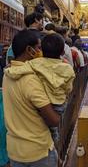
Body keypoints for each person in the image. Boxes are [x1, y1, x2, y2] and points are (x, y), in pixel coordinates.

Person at [3, 29, 60, 167]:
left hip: (15, 150)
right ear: (29, 50)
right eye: (39, 48)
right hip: (37, 151)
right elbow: (53, 120)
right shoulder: (30, 79)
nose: (42, 52)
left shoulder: (7, 74)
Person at [28, 33, 75, 145]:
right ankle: (53, 139)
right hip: (58, 105)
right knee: (54, 125)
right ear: (63, 52)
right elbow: (68, 89)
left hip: (39, 103)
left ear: (41, 49)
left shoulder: (33, 63)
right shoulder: (68, 68)